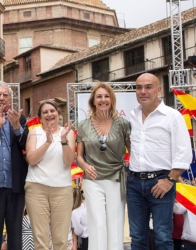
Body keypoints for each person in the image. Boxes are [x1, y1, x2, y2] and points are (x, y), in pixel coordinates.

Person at [127, 73, 192, 250]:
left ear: (158, 90)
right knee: (137, 237)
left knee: (163, 237)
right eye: (139, 87)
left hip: (161, 182)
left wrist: (170, 180)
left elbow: (184, 153)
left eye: (148, 87)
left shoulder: (172, 116)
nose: (143, 91)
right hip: (134, 183)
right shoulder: (132, 116)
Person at [76, 82, 131, 250]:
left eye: (106, 96)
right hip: (93, 179)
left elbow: (134, 150)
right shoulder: (83, 125)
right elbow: (78, 156)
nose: (103, 100)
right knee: (97, 224)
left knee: (115, 223)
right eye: (99, 96)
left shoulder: (123, 123)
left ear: (111, 99)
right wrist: (85, 166)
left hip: (116, 178)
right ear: (93, 100)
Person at [0, 81, 29, 250]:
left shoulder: (19, 118)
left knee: (15, 235)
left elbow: (26, 146)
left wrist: (16, 127)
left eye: (5, 95)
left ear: (10, 98)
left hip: (15, 186)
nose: (1, 98)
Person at [25, 99, 75, 250]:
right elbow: (31, 159)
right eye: (44, 112)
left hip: (62, 189)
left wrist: (63, 140)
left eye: (52, 111)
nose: (49, 114)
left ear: (59, 114)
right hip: (36, 188)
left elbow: (68, 161)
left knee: (60, 240)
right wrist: (47, 142)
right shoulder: (34, 132)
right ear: (40, 117)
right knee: (41, 240)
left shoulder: (68, 133)